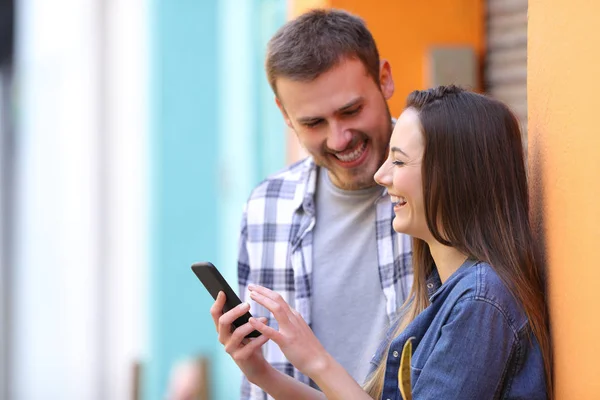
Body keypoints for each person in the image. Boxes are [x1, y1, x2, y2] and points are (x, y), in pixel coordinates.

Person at [215, 85, 553, 399]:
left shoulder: (481, 300)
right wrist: (263, 374)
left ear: (455, 175)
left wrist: (317, 360)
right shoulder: (441, 289)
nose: (381, 175)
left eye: (400, 161)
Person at [236, 9, 413, 399]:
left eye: (351, 111)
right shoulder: (267, 208)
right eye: (314, 123)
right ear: (285, 115)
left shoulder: (445, 182)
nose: (339, 139)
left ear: (384, 79)